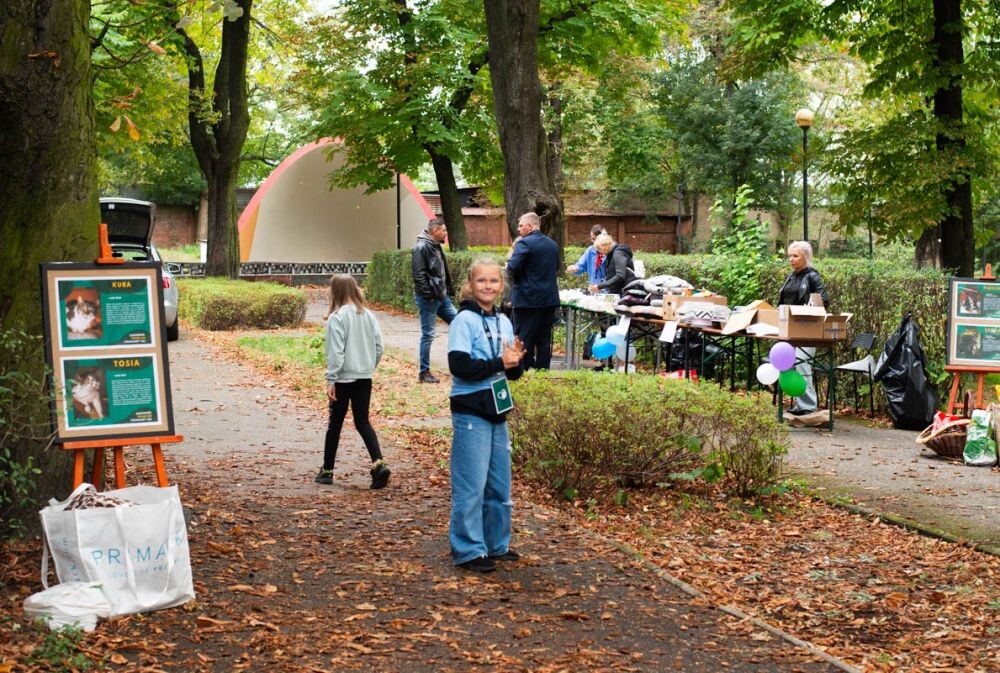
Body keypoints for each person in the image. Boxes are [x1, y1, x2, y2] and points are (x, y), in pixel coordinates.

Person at [448, 259, 525, 572]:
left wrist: (515, 362)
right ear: (470, 285)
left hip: (498, 408)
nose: (488, 286)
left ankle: (496, 544)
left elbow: (512, 371)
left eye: (494, 281)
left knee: (499, 483)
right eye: (482, 281)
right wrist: (498, 362)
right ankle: (468, 549)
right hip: (471, 409)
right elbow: (460, 366)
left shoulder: (505, 322)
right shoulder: (463, 321)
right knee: (471, 483)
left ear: (501, 286)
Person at [316, 274, 390, 489]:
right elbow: (379, 347)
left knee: (335, 424)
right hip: (364, 378)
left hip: (343, 379)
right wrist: (368, 367)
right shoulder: (368, 315)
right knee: (363, 422)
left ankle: (327, 470)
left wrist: (331, 379)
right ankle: (379, 463)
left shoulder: (337, 318)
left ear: (335, 292)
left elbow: (336, 352)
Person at [777, 240, 829, 415]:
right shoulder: (790, 276)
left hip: (807, 328)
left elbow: (824, 301)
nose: (791, 259)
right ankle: (800, 403)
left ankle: (808, 405)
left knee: (802, 363)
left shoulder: (813, 276)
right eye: (789, 255)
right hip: (788, 328)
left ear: (805, 257)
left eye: (795, 256)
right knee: (787, 364)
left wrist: (809, 308)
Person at [506, 212, 560, 370]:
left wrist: (507, 265)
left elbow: (513, 267)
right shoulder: (553, 244)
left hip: (527, 299)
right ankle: (543, 371)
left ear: (530, 226)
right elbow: (555, 268)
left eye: (521, 225)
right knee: (544, 338)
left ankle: (522, 369)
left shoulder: (524, 243)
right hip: (548, 299)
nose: (518, 229)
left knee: (524, 337)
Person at [412, 217, 456, 383]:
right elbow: (418, 275)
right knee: (428, 335)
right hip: (429, 298)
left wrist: (448, 290)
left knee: (459, 322)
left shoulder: (435, 246)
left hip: (441, 297)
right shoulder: (421, 247)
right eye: (444, 230)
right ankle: (424, 373)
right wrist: (428, 295)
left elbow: (442, 271)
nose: (445, 233)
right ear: (436, 231)